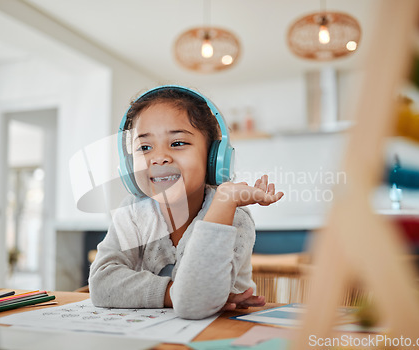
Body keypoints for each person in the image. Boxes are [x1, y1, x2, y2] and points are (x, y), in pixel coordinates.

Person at [89, 86, 284, 319]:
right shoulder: (133, 212)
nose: (160, 157)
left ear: (214, 158)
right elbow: (102, 284)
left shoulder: (233, 215)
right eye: (145, 147)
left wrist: (224, 200)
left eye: (178, 143)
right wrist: (173, 293)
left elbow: (194, 304)